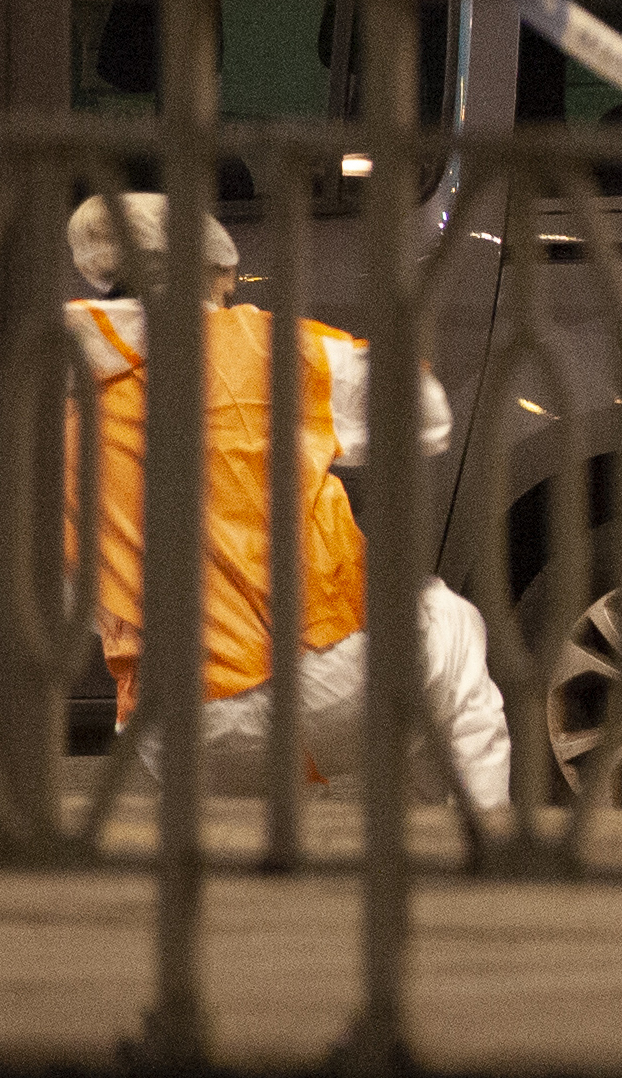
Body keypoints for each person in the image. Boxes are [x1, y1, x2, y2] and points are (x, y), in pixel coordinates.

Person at [65, 192, 512, 810]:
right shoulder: (263, 345)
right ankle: (470, 858)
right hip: (323, 674)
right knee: (452, 631)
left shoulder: (50, 392)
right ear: (214, 270)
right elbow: (426, 418)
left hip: (172, 727)